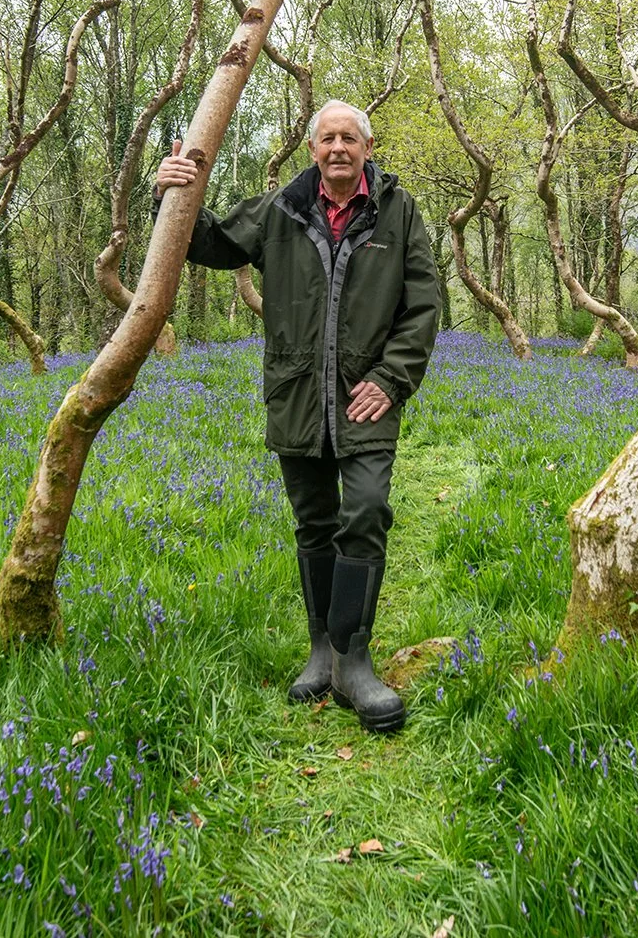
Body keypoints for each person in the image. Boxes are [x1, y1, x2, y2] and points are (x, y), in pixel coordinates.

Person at [152, 99, 439, 731]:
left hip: (368, 396)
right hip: (297, 394)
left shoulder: (398, 210)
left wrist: (391, 381)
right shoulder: (280, 208)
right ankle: (320, 651)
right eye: (327, 138)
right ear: (313, 149)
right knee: (314, 522)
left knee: (364, 512)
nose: (338, 148)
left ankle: (354, 659)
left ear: (367, 146)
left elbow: (423, 305)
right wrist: (173, 196)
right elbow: (212, 245)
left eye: (349, 138)